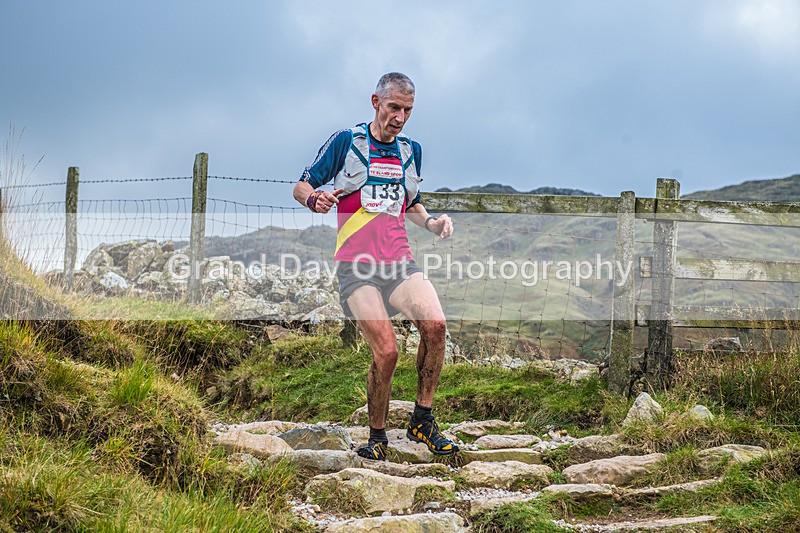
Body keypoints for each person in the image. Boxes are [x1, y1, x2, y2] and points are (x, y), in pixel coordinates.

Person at [293, 72, 459, 461]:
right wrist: (314, 198)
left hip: (399, 263)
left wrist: (432, 223)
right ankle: (377, 436)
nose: (400, 117)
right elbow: (301, 184)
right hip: (357, 268)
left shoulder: (410, 150)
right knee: (386, 352)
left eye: (408, 110)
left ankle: (422, 420)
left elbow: (412, 203)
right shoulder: (346, 142)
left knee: (435, 326)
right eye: (393, 108)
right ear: (375, 102)